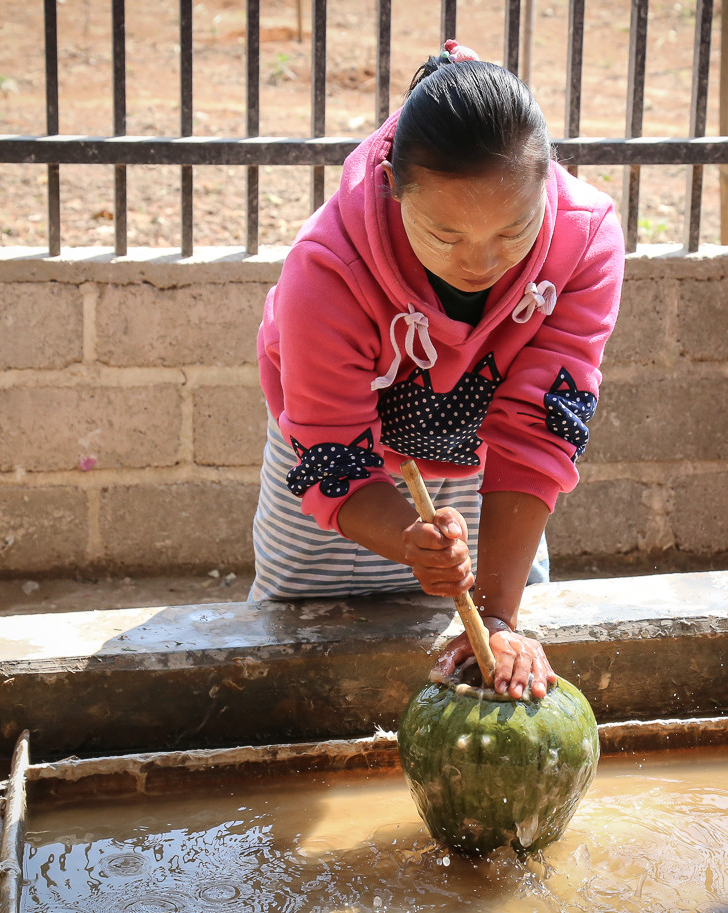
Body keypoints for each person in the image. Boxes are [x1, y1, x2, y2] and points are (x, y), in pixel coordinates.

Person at [251, 40, 624, 701]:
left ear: (548, 183)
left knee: (493, 667)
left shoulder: (585, 243)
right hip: (336, 487)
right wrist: (409, 540)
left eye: (513, 234)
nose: (481, 262)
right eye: (446, 236)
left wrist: (501, 614)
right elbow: (331, 455)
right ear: (394, 186)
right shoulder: (326, 268)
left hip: (487, 487)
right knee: (305, 677)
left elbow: (540, 433)